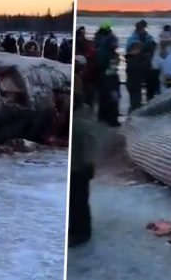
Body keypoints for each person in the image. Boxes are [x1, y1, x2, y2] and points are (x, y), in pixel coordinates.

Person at [68, 74, 95, 247]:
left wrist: (88, 165)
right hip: (78, 167)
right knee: (76, 201)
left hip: (79, 168)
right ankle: (77, 228)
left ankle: (82, 232)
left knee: (79, 202)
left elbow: (90, 145)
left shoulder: (79, 125)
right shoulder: (83, 118)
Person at [96, 33, 121, 127]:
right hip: (107, 80)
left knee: (108, 100)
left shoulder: (104, 51)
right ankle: (110, 120)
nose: (116, 45)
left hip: (107, 80)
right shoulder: (105, 53)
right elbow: (107, 69)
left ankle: (107, 119)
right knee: (110, 100)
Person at [125, 41, 146, 112]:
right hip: (135, 84)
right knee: (136, 104)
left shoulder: (130, 58)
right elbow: (137, 70)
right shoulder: (134, 59)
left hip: (131, 83)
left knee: (134, 102)